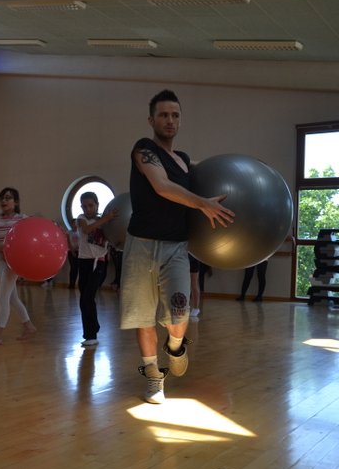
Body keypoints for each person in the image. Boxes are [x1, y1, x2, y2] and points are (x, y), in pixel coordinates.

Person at [119, 89, 234, 404]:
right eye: (163, 115)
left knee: (179, 313)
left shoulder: (183, 159)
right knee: (143, 318)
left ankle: (175, 346)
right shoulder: (144, 149)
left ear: (180, 120)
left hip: (176, 248)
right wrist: (203, 204)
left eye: (175, 115)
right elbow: (162, 186)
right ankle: (154, 376)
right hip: (141, 247)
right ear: (151, 120)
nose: (170, 120)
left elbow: (208, 171)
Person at [0, 187, 37, 346]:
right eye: (2, 198)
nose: (4, 201)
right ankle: (29, 326)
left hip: (14, 263)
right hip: (2, 260)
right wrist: (1, 248)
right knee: (13, 298)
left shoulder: (22, 219)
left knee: (2, 297)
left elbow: (32, 234)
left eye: (8, 198)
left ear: (16, 202)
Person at [76, 192, 115, 346]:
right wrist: (106, 218)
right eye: (84, 206)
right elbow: (86, 230)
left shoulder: (104, 221)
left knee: (88, 297)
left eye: (91, 205)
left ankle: (92, 333)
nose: (87, 209)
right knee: (84, 299)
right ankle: (90, 332)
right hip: (83, 262)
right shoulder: (81, 218)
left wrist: (107, 220)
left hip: (98, 263)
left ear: (97, 205)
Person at [67, 220, 80, 289]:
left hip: (79, 252)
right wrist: (72, 251)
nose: (75, 225)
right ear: (71, 224)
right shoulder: (68, 232)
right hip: (71, 252)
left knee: (76, 268)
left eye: (76, 223)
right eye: (74, 223)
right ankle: (71, 283)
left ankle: (74, 283)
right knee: (73, 267)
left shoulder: (80, 232)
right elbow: (68, 243)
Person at [188, 253, 201, 318]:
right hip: (185, 257)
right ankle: (185, 306)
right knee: (188, 284)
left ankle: (196, 308)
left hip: (194, 258)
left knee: (194, 284)